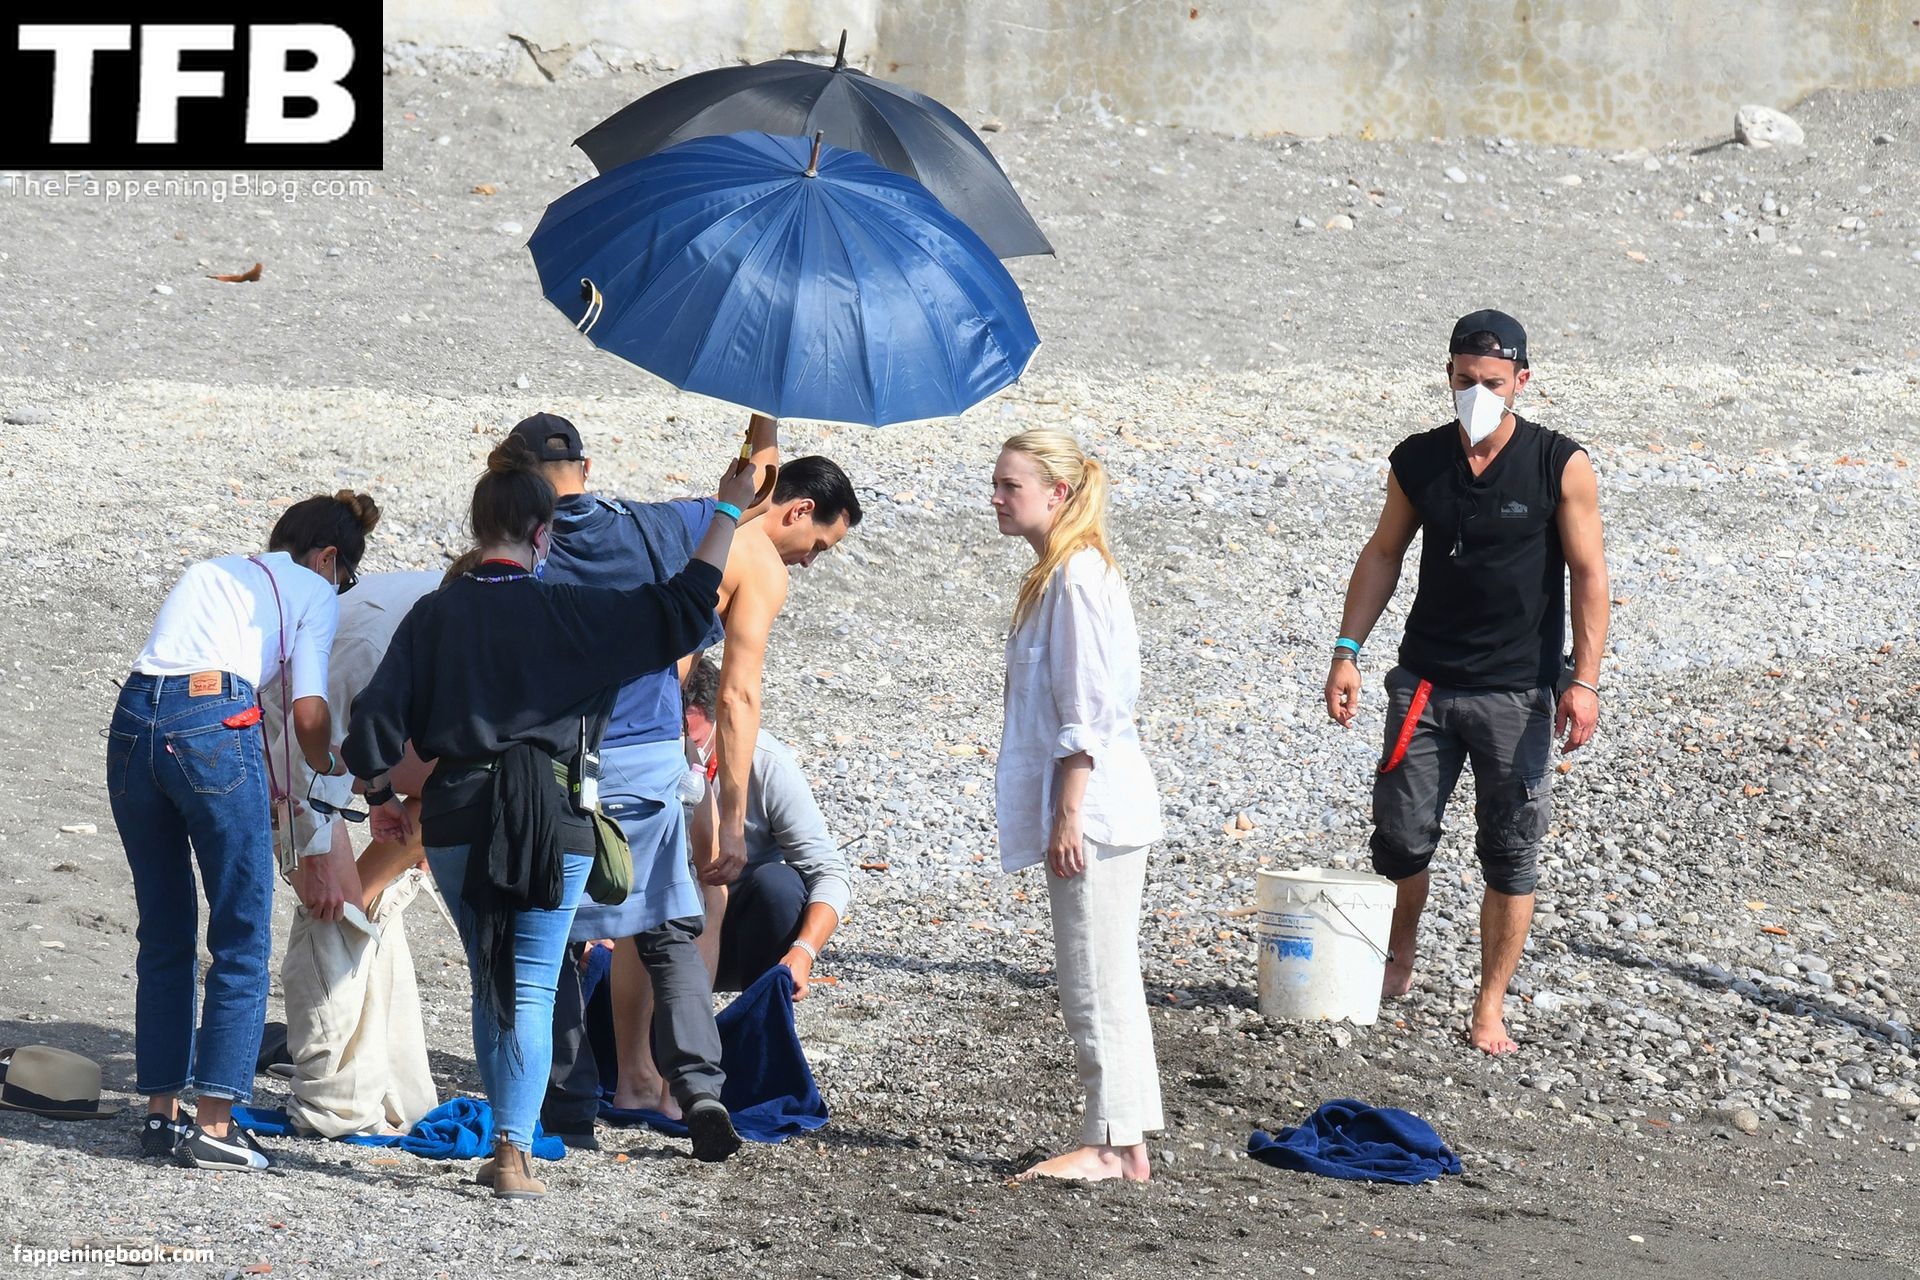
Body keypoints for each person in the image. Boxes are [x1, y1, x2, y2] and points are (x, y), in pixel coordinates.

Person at [343, 435, 760, 1198]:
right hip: (553, 810)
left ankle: (529, 1130)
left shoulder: (435, 615)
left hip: (460, 812)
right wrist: (727, 511)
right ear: (543, 534)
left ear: (478, 529)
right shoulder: (568, 610)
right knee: (533, 982)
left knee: (491, 982)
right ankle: (512, 1154)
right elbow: (681, 608)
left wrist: (380, 802)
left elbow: (370, 724)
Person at [1323, 309, 1609, 1057]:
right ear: (1447, 375)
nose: (1477, 393)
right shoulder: (1419, 459)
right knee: (1399, 839)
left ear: (1521, 381)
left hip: (1519, 693)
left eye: (1492, 382)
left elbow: (1589, 574)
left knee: (1510, 852)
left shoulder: (1558, 463)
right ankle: (1398, 957)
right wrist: (1347, 650)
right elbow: (1383, 553)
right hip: (1424, 685)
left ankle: (1489, 1004)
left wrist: (1585, 681)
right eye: (1464, 380)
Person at [513, 410, 776, 1141]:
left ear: (515, 478)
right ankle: (699, 1089)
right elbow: (757, 493)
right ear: (587, 470)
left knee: (553, 931)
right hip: (651, 757)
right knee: (667, 926)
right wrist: (762, 418)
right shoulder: (656, 527)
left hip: (556, 758)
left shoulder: (521, 547)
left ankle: (569, 1104)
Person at [111, 491, 378, 1170]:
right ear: (327, 558)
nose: (339, 591)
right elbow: (309, 712)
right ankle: (216, 1124)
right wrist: (330, 765)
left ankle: (162, 1114)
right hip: (212, 721)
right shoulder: (312, 592)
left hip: (134, 720)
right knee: (240, 929)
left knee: (165, 929)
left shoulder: (215, 569)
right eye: (345, 579)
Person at [615, 453, 864, 1117]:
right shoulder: (759, 560)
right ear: (800, 509)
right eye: (818, 545)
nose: (808, 562)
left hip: (607, 714)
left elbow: (759, 463)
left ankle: (635, 1077)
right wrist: (731, 818)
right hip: (652, 728)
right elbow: (737, 694)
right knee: (704, 885)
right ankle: (675, 1086)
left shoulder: (708, 522)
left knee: (640, 898)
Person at [990, 428, 1165, 1183]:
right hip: (1095, 803)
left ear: (1057, 493)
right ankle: (1127, 1139)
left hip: (1094, 808)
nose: (997, 499)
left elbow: (1086, 709)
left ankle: (1112, 1142)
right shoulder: (1060, 574)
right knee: (1105, 970)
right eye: (997, 484)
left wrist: (1067, 814)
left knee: (1092, 973)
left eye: (1011, 486)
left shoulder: (1077, 577)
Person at [265, 565, 447, 1138]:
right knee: (335, 906)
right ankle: (333, 1094)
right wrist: (314, 850)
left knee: (362, 907)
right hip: (289, 736)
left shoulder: (481, 627)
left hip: (367, 732)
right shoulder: (370, 648)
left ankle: (382, 1080)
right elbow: (296, 751)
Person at [680, 656, 851, 997]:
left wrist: (804, 951)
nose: (683, 752)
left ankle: (761, 1006)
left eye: (694, 742)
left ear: (720, 722)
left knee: (780, 886)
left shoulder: (768, 763)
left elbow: (829, 872)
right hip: (665, 921)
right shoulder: (649, 755)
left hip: (740, 932)